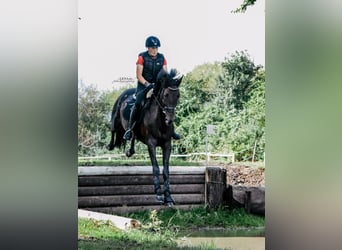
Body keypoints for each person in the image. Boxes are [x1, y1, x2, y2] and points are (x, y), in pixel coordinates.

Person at [123, 35, 181, 141]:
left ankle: (172, 130)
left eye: (156, 48)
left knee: (168, 103)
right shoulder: (142, 58)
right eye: (152, 48)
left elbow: (165, 74)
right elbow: (139, 75)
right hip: (143, 86)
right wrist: (147, 84)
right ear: (148, 48)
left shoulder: (162, 58)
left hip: (157, 86)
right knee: (138, 103)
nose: (155, 50)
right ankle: (130, 130)